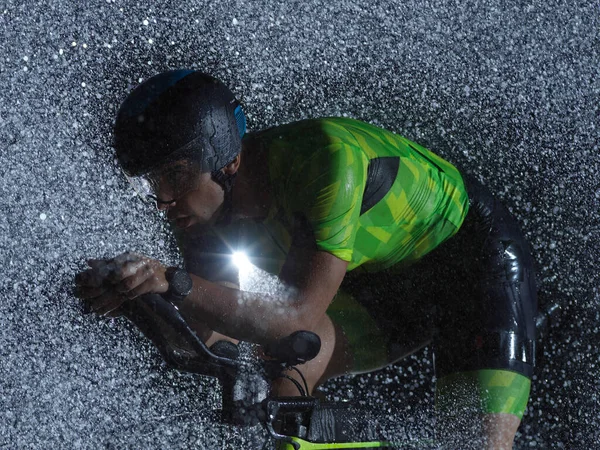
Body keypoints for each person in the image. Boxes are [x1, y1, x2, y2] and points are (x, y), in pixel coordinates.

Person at [75, 70, 538, 448]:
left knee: (472, 445)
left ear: (227, 162)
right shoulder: (204, 215)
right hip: (378, 283)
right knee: (278, 388)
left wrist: (169, 280)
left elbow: (294, 320)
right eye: (150, 183)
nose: (162, 200)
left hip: (472, 263)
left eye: (174, 176)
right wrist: (135, 300)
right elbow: (208, 341)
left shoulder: (323, 161)